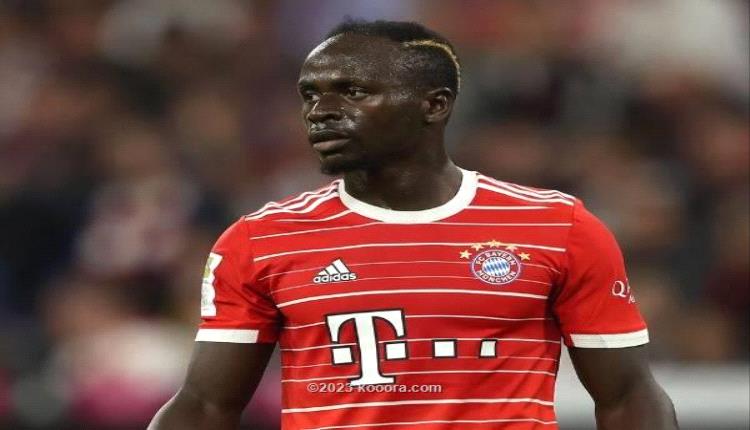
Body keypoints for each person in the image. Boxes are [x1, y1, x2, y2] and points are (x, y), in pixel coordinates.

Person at [149, 19, 678, 430]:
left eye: (353, 92)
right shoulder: (260, 240)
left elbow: (628, 396)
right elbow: (204, 406)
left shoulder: (558, 227)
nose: (321, 111)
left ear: (434, 105)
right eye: (310, 94)